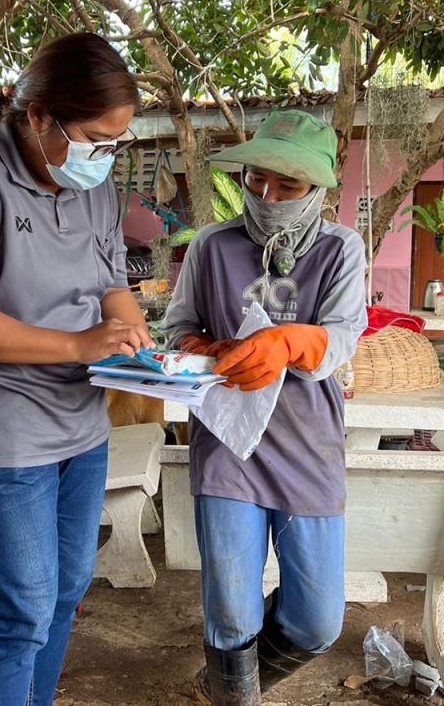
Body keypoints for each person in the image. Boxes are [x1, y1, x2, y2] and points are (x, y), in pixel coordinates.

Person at [0, 32, 153, 706]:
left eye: (116, 143)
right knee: (19, 612)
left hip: (82, 421)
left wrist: (126, 323)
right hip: (3, 428)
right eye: (94, 139)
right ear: (38, 114)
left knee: (64, 593)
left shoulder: (94, 185)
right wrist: (79, 345)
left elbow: (111, 278)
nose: (104, 157)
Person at [162, 110, 367, 705]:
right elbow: (177, 331)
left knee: (318, 621)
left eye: (289, 185)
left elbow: (344, 338)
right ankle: (233, 694)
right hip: (227, 444)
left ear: (319, 189)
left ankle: (221, 682)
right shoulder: (211, 246)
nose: (268, 195)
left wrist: (287, 341)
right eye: (257, 180)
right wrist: (204, 348)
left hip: (308, 445)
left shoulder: (340, 250)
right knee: (231, 612)